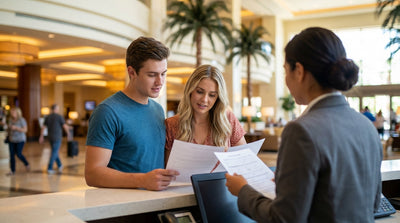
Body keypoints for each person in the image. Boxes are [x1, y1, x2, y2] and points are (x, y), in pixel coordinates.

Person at [225, 27, 383, 222]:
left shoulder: (301, 130)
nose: (286, 80)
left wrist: (242, 190)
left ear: (299, 71)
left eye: (285, 71)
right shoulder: (367, 126)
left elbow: (282, 218)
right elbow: (373, 204)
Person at [85, 36, 179, 191]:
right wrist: (142, 180)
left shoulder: (157, 109)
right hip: (123, 209)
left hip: (157, 203)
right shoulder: (107, 112)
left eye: (163, 74)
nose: (160, 82)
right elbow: (92, 174)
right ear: (132, 72)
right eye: (152, 75)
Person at [165, 65, 246, 163]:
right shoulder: (171, 125)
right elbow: (168, 169)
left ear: (218, 98)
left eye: (212, 95)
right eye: (199, 92)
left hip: (222, 178)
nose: (204, 100)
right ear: (190, 91)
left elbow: (244, 160)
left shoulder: (228, 119)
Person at [39, 104, 71, 174]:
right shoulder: (59, 117)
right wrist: (68, 134)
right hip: (57, 137)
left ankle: (59, 165)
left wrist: (41, 136)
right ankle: (49, 168)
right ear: (56, 109)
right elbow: (64, 126)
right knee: (54, 152)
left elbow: (43, 127)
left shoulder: (48, 117)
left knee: (54, 151)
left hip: (50, 137)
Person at [5, 107, 30, 176]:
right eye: (11, 112)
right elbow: (9, 129)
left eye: (13, 112)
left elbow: (25, 130)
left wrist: (16, 128)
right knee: (11, 155)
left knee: (18, 154)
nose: (12, 114)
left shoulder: (22, 120)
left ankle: (26, 163)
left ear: (17, 113)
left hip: (20, 139)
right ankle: (12, 170)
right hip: (11, 139)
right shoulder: (10, 120)